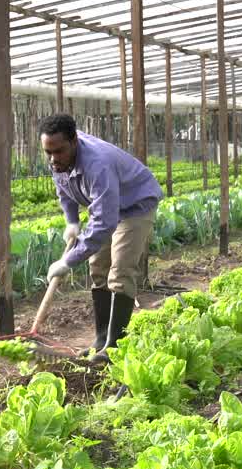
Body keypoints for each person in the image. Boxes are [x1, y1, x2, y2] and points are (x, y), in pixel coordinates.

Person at [40, 115, 163, 364]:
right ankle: (100, 338)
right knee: (98, 268)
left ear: (74, 141)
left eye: (58, 152)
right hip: (107, 206)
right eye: (48, 152)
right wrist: (72, 221)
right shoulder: (58, 158)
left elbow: (104, 224)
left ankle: (113, 347)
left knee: (120, 271)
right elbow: (63, 188)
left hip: (135, 205)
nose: (53, 159)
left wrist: (68, 261)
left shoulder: (98, 165)